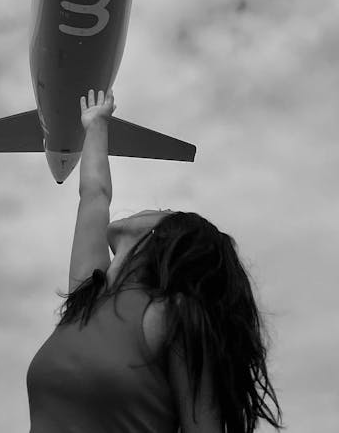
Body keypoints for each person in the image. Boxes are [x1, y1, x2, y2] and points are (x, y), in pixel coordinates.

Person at [27, 88, 283, 432]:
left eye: (163, 212)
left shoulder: (173, 315)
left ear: (165, 241)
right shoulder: (85, 300)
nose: (150, 207)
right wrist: (97, 124)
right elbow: (94, 195)